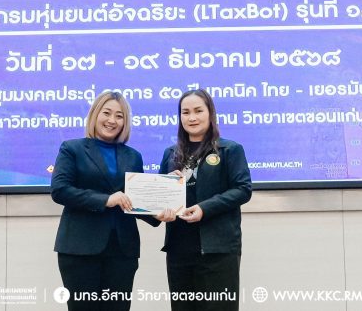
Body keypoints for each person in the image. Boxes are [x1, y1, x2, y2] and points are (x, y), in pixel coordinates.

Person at [51, 91, 159, 310]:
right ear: (95, 114)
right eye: (107, 113)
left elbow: (136, 200)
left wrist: (160, 212)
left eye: (119, 116)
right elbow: (60, 190)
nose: (112, 120)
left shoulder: (133, 156)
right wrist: (105, 200)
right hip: (80, 249)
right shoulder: (72, 148)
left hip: (122, 251)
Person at [159, 89, 252, 310]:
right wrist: (161, 202)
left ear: (210, 113)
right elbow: (159, 199)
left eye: (198, 111)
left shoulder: (229, 149)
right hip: (179, 251)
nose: (192, 117)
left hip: (217, 251)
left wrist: (204, 208)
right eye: (185, 112)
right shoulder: (170, 154)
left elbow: (242, 189)